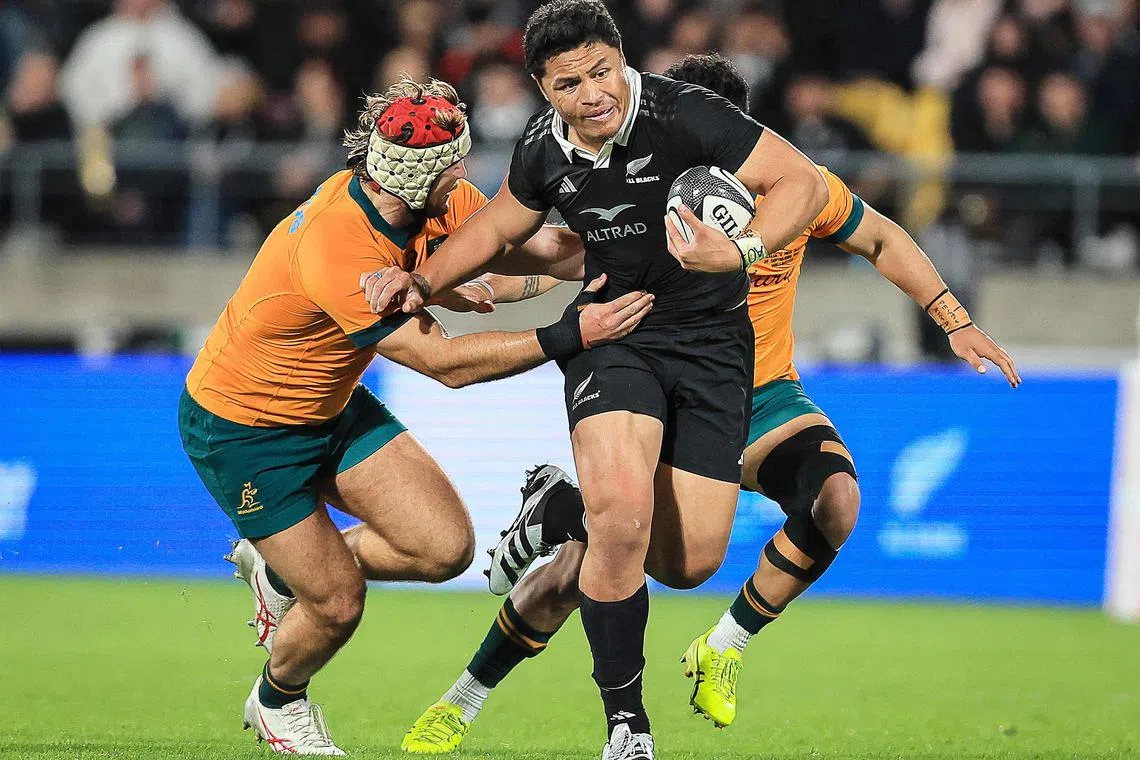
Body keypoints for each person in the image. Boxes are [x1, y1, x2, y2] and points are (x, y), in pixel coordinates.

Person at [397, 52, 1021, 755]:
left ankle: (722, 645)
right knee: (594, 564)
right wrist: (458, 277)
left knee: (835, 501)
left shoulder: (790, 187)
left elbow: (879, 235)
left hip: (763, 396)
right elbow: (552, 255)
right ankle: (465, 696)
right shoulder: (635, 186)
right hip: (660, 393)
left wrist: (953, 318)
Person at [361, 3, 832, 756]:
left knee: (687, 562)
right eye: (568, 83)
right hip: (614, 335)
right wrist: (417, 278)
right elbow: (495, 231)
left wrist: (740, 250)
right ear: (544, 90)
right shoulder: (544, 148)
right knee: (623, 523)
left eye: (601, 71)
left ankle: (563, 510)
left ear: (623, 58)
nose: (591, 95)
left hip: (714, 351)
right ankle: (627, 729)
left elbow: (802, 184)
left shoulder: (688, 116)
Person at [178, 76, 652, 756]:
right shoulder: (338, 247)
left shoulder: (427, 194)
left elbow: (532, 249)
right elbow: (446, 365)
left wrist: (632, 244)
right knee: (338, 603)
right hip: (244, 431)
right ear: (414, 178)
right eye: (453, 166)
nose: (464, 175)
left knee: (443, 549)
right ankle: (277, 700)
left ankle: (282, 568)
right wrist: (573, 331)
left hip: (330, 406)